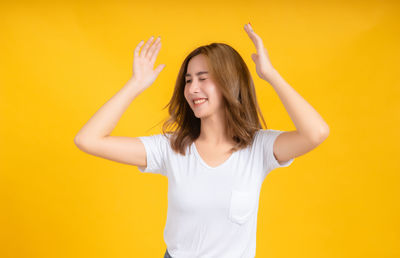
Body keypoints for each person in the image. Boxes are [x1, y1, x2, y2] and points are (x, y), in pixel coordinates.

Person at [74, 23, 330, 258]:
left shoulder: (258, 149)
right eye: (188, 80)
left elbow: (316, 132)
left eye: (202, 78)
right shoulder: (172, 148)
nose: (192, 88)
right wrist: (135, 84)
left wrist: (271, 75)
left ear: (229, 83)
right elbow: (88, 140)